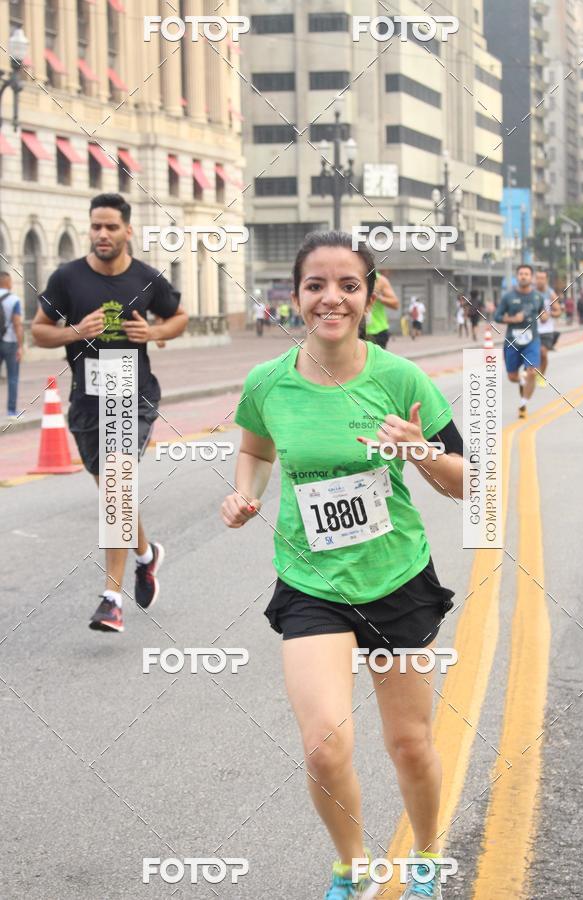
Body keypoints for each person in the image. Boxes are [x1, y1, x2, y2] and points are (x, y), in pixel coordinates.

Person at [221, 231, 466, 900]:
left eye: (348, 285)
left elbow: (467, 481)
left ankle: (426, 853)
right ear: (296, 295)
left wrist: (418, 449)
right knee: (325, 745)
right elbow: (256, 450)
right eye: (316, 285)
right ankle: (353, 864)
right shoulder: (267, 382)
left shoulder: (402, 378)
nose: (331, 297)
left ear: (368, 296)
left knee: (409, 744)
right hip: (311, 584)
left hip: (396, 578)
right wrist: (246, 492)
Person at [32, 193, 188, 632]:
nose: (102, 234)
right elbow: (39, 333)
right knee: (111, 494)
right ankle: (146, 554)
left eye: (111, 227)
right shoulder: (67, 278)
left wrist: (155, 331)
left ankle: (111, 598)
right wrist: (76, 330)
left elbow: (179, 317)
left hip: (132, 393)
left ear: (127, 231)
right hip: (86, 399)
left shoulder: (146, 278)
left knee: (116, 487)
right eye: (96, 226)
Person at [494, 263, 547, 419]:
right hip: (512, 341)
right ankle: (523, 379)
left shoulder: (538, 296)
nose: (523, 276)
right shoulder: (508, 297)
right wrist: (512, 319)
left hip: (532, 339)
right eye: (521, 274)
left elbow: (542, 313)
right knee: (512, 377)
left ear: (531, 278)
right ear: (517, 277)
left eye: (526, 274)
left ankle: (523, 403)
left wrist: (545, 317)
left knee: (531, 371)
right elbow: (497, 316)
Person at [0, 271, 24, 418]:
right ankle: (11, 411)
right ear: (7, 282)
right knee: (12, 377)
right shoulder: (14, 299)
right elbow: (17, 324)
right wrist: (20, 346)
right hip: (10, 342)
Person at [534, 270, 561, 388]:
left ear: (546, 280)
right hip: (532, 329)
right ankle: (531, 372)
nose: (540, 281)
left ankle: (540, 376)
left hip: (546, 329)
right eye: (538, 278)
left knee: (543, 353)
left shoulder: (550, 294)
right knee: (533, 354)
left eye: (542, 278)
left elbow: (558, 311)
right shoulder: (529, 293)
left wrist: (548, 315)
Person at [364, 269, 400, 349]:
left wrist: (378, 297)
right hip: (354, 331)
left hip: (377, 331)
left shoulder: (380, 280)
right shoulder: (349, 276)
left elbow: (395, 304)